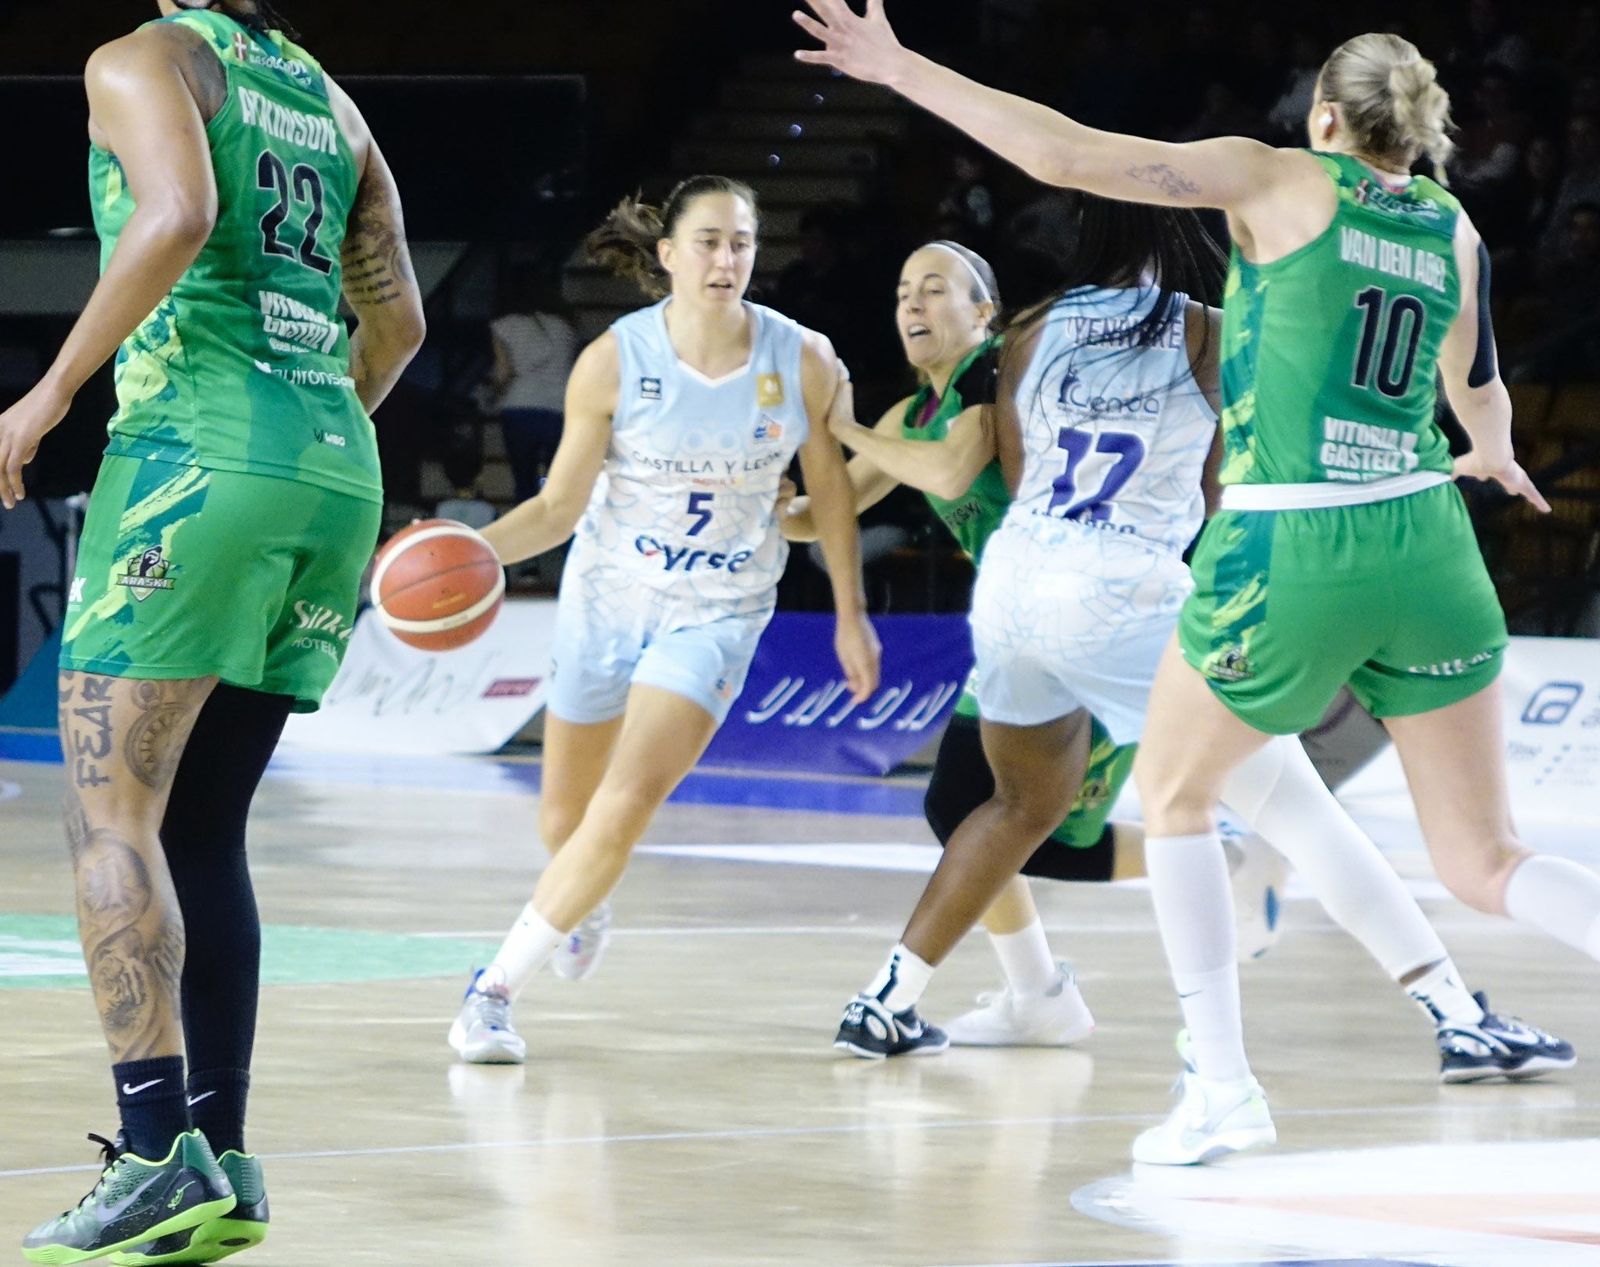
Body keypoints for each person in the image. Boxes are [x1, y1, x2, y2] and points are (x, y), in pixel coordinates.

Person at [795, 5, 1600, 1160]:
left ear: (1323, 117)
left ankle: (1220, 1086)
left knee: (1175, 798)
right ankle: (1443, 1009)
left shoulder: (1274, 179)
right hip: (1429, 538)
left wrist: (901, 67)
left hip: (1285, 543)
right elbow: (1474, 383)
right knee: (1484, 859)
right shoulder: (1452, 223)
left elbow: (1063, 153)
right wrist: (1495, 452)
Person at [0, 1, 424, 1261]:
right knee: (201, 827)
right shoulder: (328, 99)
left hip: (193, 462)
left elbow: (177, 214)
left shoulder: (144, 58)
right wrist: (301, 448)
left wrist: (47, 392)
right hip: (335, 468)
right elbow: (397, 320)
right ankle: (219, 1158)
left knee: (110, 818)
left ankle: (148, 1159)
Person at [781, 235, 1291, 1050]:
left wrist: (839, 423)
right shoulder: (908, 417)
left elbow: (949, 473)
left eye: (935, 287)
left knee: (1028, 828)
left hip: (1098, 622)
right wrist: (768, 499)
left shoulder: (1000, 382)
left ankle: (1223, 860)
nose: (912, 303)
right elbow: (825, 513)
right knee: (967, 813)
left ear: (985, 312)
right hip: (1021, 631)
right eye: (904, 290)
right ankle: (1041, 993)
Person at [448, 175, 880, 1065]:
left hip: (718, 609)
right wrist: (467, 554)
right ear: (670, 254)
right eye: (710, 241)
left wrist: (851, 611)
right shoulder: (615, 359)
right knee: (564, 822)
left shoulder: (801, 358)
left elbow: (831, 492)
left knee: (626, 801)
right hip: (607, 595)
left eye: (743, 242)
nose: (728, 259)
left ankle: (490, 993)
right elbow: (558, 508)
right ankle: (582, 899)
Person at [484, 265, 578, 504]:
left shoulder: (504, 325)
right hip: (559, 407)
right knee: (557, 481)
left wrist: (490, 395)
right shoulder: (565, 326)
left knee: (524, 481)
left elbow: (504, 371)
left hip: (520, 407)